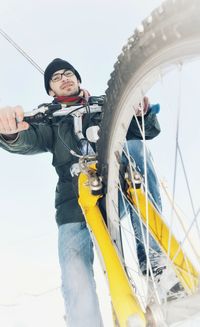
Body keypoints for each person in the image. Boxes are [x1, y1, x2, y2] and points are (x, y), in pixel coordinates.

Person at [0, 58, 163, 326]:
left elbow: (144, 130)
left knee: (136, 149)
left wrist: (142, 112)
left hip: (119, 185)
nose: (64, 78)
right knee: (75, 274)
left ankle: (156, 263)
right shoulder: (48, 118)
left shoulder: (107, 104)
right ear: (51, 91)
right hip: (74, 201)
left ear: (78, 79)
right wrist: (10, 133)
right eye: (56, 78)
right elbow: (28, 138)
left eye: (68, 73)